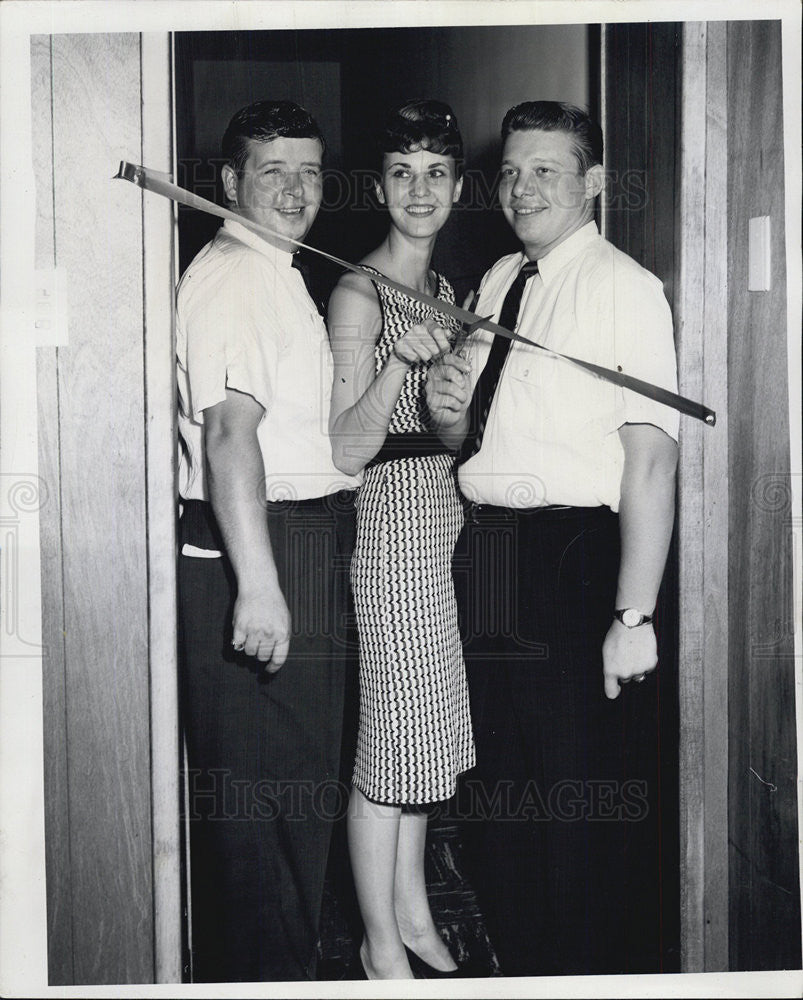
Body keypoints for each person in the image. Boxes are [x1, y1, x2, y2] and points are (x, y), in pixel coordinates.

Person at [425, 101, 679, 976]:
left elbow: (648, 463)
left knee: (569, 799)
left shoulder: (624, 289)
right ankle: (522, 966)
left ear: (593, 184)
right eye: (511, 171)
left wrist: (634, 616)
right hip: (488, 554)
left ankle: (577, 970)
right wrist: (448, 420)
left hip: (570, 562)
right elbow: (481, 444)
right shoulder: (499, 279)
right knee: (495, 792)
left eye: (545, 171)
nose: (521, 187)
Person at [175, 100, 360, 982]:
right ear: (229, 184)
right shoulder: (238, 276)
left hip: (294, 544)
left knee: (292, 812)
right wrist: (259, 584)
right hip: (265, 547)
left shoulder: (275, 269)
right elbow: (227, 438)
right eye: (273, 171)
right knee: (263, 828)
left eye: (309, 171)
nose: (295, 190)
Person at [328, 99, 475, 980]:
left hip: (442, 530)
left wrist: (452, 401)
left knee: (425, 738)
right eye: (400, 173)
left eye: (435, 173)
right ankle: (378, 944)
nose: (418, 191)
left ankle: (414, 914)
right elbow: (347, 448)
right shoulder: (355, 289)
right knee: (390, 744)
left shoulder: (450, 293)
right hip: (388, 537)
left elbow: (448, 441)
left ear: (457, 186)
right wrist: (398, 360)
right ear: (379, 187)